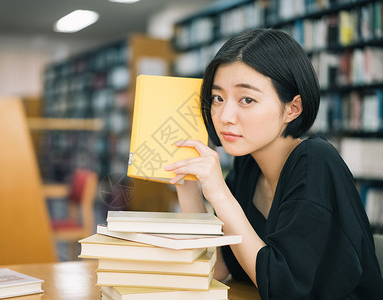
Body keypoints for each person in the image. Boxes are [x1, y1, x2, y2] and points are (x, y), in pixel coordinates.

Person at [164, 28, 383, 299]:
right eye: (218, 98)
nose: (224, 116)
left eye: (247, 99)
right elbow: (218, 267)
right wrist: (188, 186)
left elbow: (283, 289)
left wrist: (220, 195)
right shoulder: (247, 166)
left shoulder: (315, 161)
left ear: (293, 108)